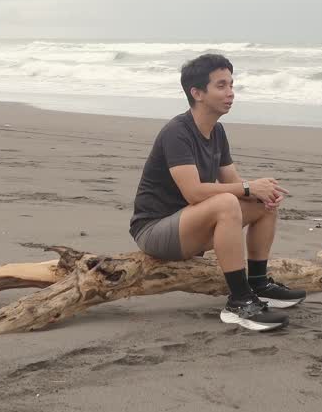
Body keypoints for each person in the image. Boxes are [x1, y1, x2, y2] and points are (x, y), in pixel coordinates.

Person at [130, 53, 306, 331]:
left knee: (263, 202)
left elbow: (233, 182)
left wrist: (260, 191)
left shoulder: (217, 131)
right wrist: (247, 187)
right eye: (221, 86)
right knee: (226, 202)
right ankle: (238, 302)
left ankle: (258, 284)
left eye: (232, 85)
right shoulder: (177, 132)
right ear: (197, 93)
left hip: (189, 224)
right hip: (155, 230)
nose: (231, 93)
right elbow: (194, 193)